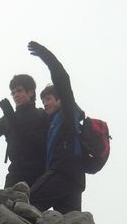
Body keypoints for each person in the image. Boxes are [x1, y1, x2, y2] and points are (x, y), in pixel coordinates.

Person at [27, 41, 86, 213]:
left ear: (60, 99)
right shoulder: (53, 122)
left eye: (49, 99)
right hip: (74, 181)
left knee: (26, 201)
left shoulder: (67, 113)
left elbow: (62, 78)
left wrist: (45, 54)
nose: (45, 103)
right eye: (43, 100)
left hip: (63, 174)